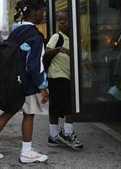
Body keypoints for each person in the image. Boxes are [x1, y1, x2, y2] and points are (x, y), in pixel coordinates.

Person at [0, 0, 49, 164]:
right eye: (42, 10)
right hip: (26, 83)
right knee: (29, 114)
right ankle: (26, 152)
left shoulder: (17, 31)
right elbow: (35, 65)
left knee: (10, 110)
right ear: (34, 12)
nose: (43, 14)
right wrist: (43, 86)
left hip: (12, 79)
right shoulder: (36, 35)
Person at [45, 10, 83, 150]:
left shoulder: (75, 38)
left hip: (66, 76)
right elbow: (47, 51)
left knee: (56, 107)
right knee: (69, 106)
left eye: (65, 19)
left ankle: (53, 137)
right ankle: (67, 133)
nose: (61, 22)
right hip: (57, 75)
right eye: (59, 20)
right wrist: (59, 49)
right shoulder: (57, 37)